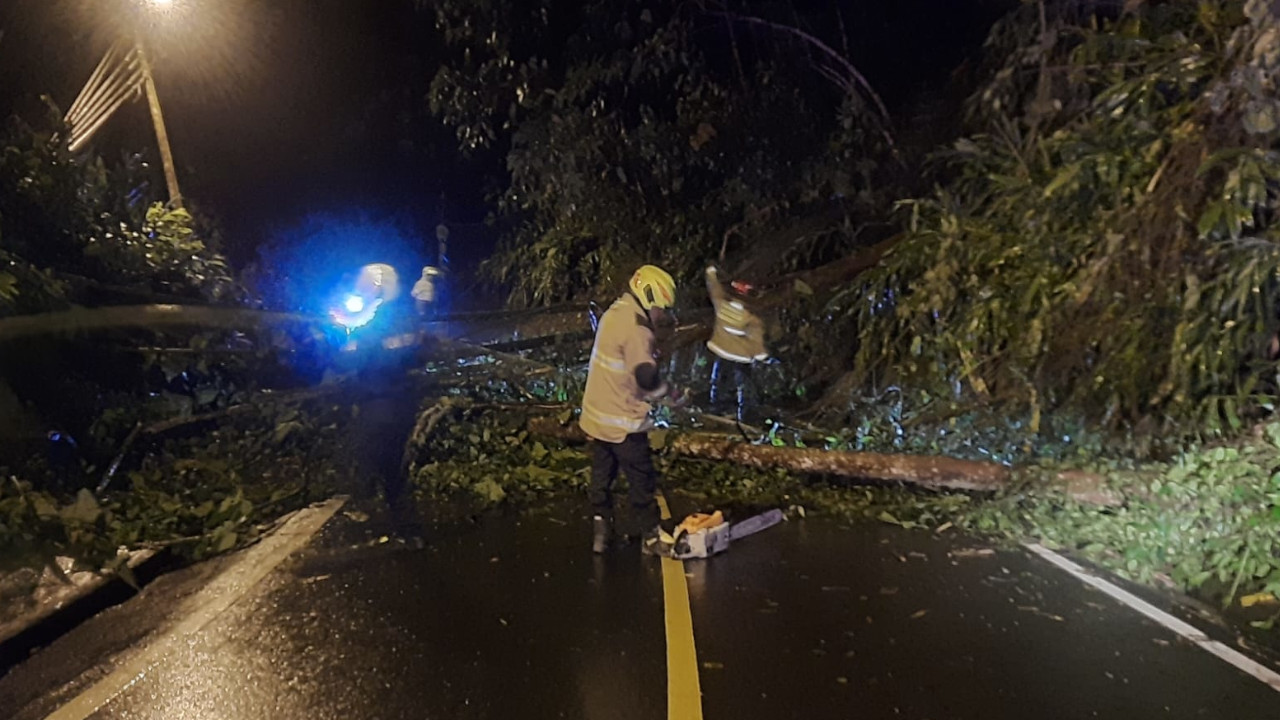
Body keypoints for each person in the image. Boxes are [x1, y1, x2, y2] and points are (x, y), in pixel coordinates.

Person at [580, 265, 687, 556]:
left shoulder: (615, 312)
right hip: (623, 421)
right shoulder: (638, 329)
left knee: (602, 476)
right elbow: (645, 378)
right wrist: (671, 396)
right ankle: (652, 537)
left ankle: (601, 533)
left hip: (596, 417)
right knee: (641, 478)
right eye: (661, 308)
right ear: (649, 296)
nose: (662, 315)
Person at [705, 265, 770, 422]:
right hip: (741, 356)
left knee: (721, 382)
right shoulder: (751, 317)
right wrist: (761, 354)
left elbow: (715, 289)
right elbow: (756, 338)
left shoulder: (722, 306)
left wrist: (711, 274)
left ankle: (719, 411)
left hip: (723, 352)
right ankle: (746, 414)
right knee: (744, 385)